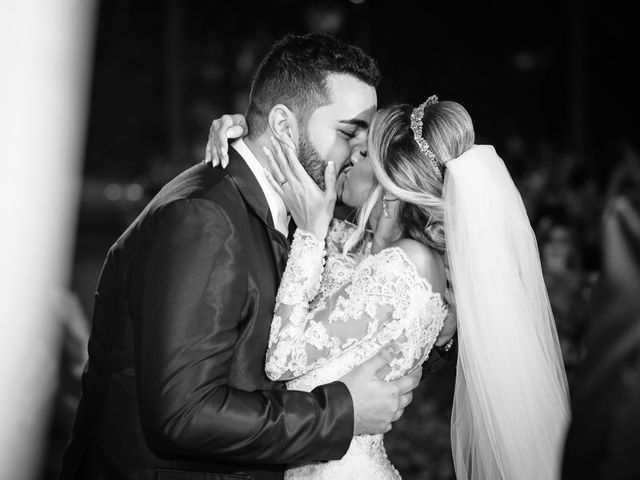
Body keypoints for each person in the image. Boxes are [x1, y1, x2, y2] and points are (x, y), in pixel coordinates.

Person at [59, 33, 426, 480]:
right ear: (284, 126)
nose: (361, 151)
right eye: (350, 132)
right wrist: (342, 413)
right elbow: (184, 415)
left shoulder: (303, 213)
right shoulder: (203, 218)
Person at [209, 96, 570, 479]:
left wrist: (312, 237)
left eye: (363, 154)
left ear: (391, 184)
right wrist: (253, 139)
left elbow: (282, 360)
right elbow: (302, 212)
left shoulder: (404, 265)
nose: (349, 158)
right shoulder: (384, 252)